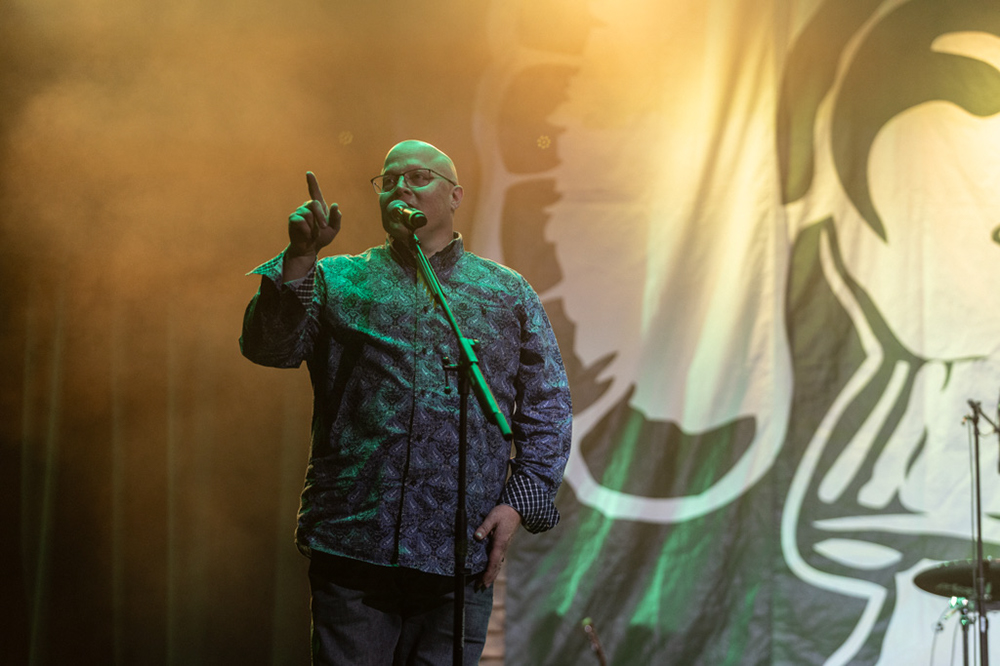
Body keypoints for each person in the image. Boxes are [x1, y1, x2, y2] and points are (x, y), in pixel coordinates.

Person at [240, 139, 573, 664]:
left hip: (458, 552)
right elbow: (269, 348)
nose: (401, 187)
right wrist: (301, 258)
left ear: (455, 195)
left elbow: (548, 404)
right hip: (356, 544)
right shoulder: (337, 279)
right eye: (389, 180)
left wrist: (519, 502)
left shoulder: (506, 292)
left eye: (418, 177)